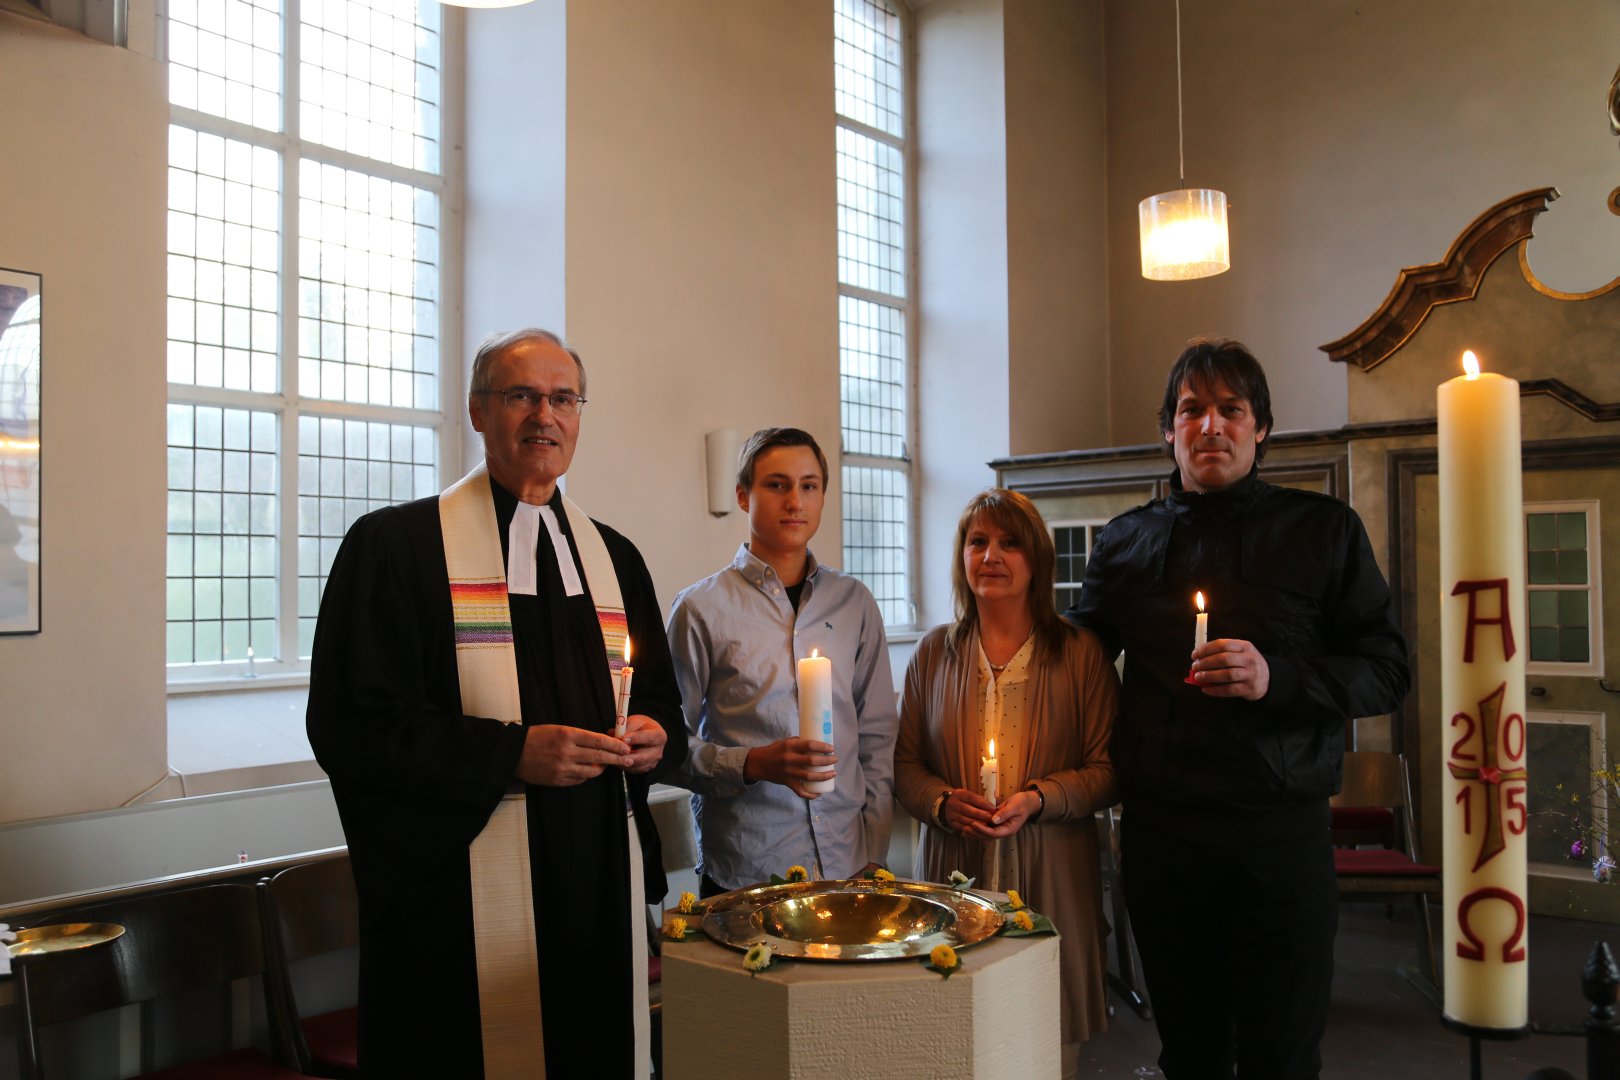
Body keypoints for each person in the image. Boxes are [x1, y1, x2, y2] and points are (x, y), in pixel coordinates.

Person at [306, 328, 685, 1079]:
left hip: (595, 891)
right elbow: (353, 723)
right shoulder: (395, 549)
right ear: (478, 412)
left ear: (579, 415)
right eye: (522, 396)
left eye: (563, 399)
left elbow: (660, 699)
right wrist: (509, 753)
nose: (545, 415)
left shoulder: (616, 557)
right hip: (455, 905)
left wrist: (654, 736)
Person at [1067, 337, 1410, 1080]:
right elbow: (1075, 659)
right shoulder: (1125, 542)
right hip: (1162, 836)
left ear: (1261, 428)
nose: (1210, 426)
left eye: (1231, 409)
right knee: (1188, 1050)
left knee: (1280, 1055)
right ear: (1169, 429)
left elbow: (1387, 671)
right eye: (1192, 410)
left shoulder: (1324, 531)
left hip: (1279, 836)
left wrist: (1277, 677)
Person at [895, 488, 1119, 1073]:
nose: (991, 556)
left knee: (1047, 1042)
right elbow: (906, 767)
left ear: (1037, 560)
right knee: (958, 1042)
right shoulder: (933, 654)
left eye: (1009, 543)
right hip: (956, 862)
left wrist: (1040, 798)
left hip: (1052, 867)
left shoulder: (1079, 653)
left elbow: (1109, 770)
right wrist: (942, 803)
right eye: (978, 542)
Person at [668, 427, 898, 896]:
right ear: (743, 496)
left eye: (809, 486)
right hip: (749, 866)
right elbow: (670, 747)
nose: (795, 501)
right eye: (777, 485)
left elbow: (876, 735)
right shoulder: (700, 609)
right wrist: (751, 763)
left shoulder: (853, 603)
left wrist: (873, 849)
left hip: (847, 862)